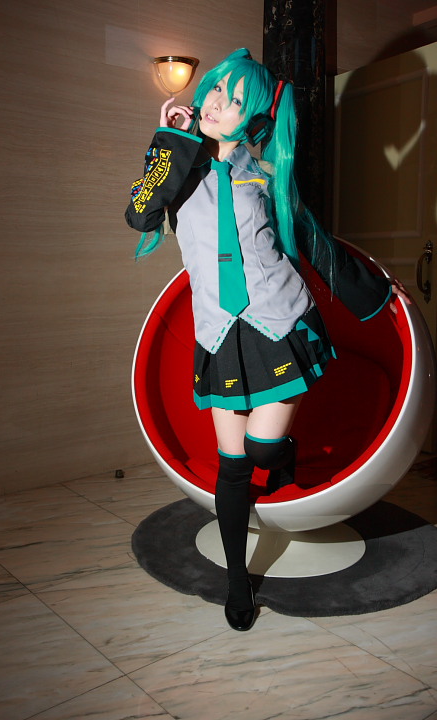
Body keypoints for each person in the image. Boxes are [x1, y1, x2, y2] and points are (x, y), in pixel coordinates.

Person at [125, 48, 409, 631]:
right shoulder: (180, 170)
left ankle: (280, 458)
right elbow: (138, 213)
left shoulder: (267, 176)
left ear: (252, 117)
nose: (215, 103)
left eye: (233, 99)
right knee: (233, 469)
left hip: (280, 325)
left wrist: (380, 292)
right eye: (214, 90)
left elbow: (314, 243)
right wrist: (167, 141)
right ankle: (238, 582)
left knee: (260, 452)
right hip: (219, 334)